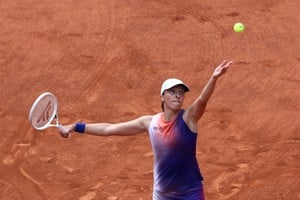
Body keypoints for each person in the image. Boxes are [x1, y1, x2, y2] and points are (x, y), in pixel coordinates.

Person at [60, 60, 233, 200]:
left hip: (190, 194)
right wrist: (76, 127)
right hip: (162, 195)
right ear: (162, 97)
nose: (178, 95)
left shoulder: (189, 119)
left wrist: (214, 78)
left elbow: (202, 99)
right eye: (172, 92)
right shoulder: (149, 122)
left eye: (181, 92)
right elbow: (109, 129)